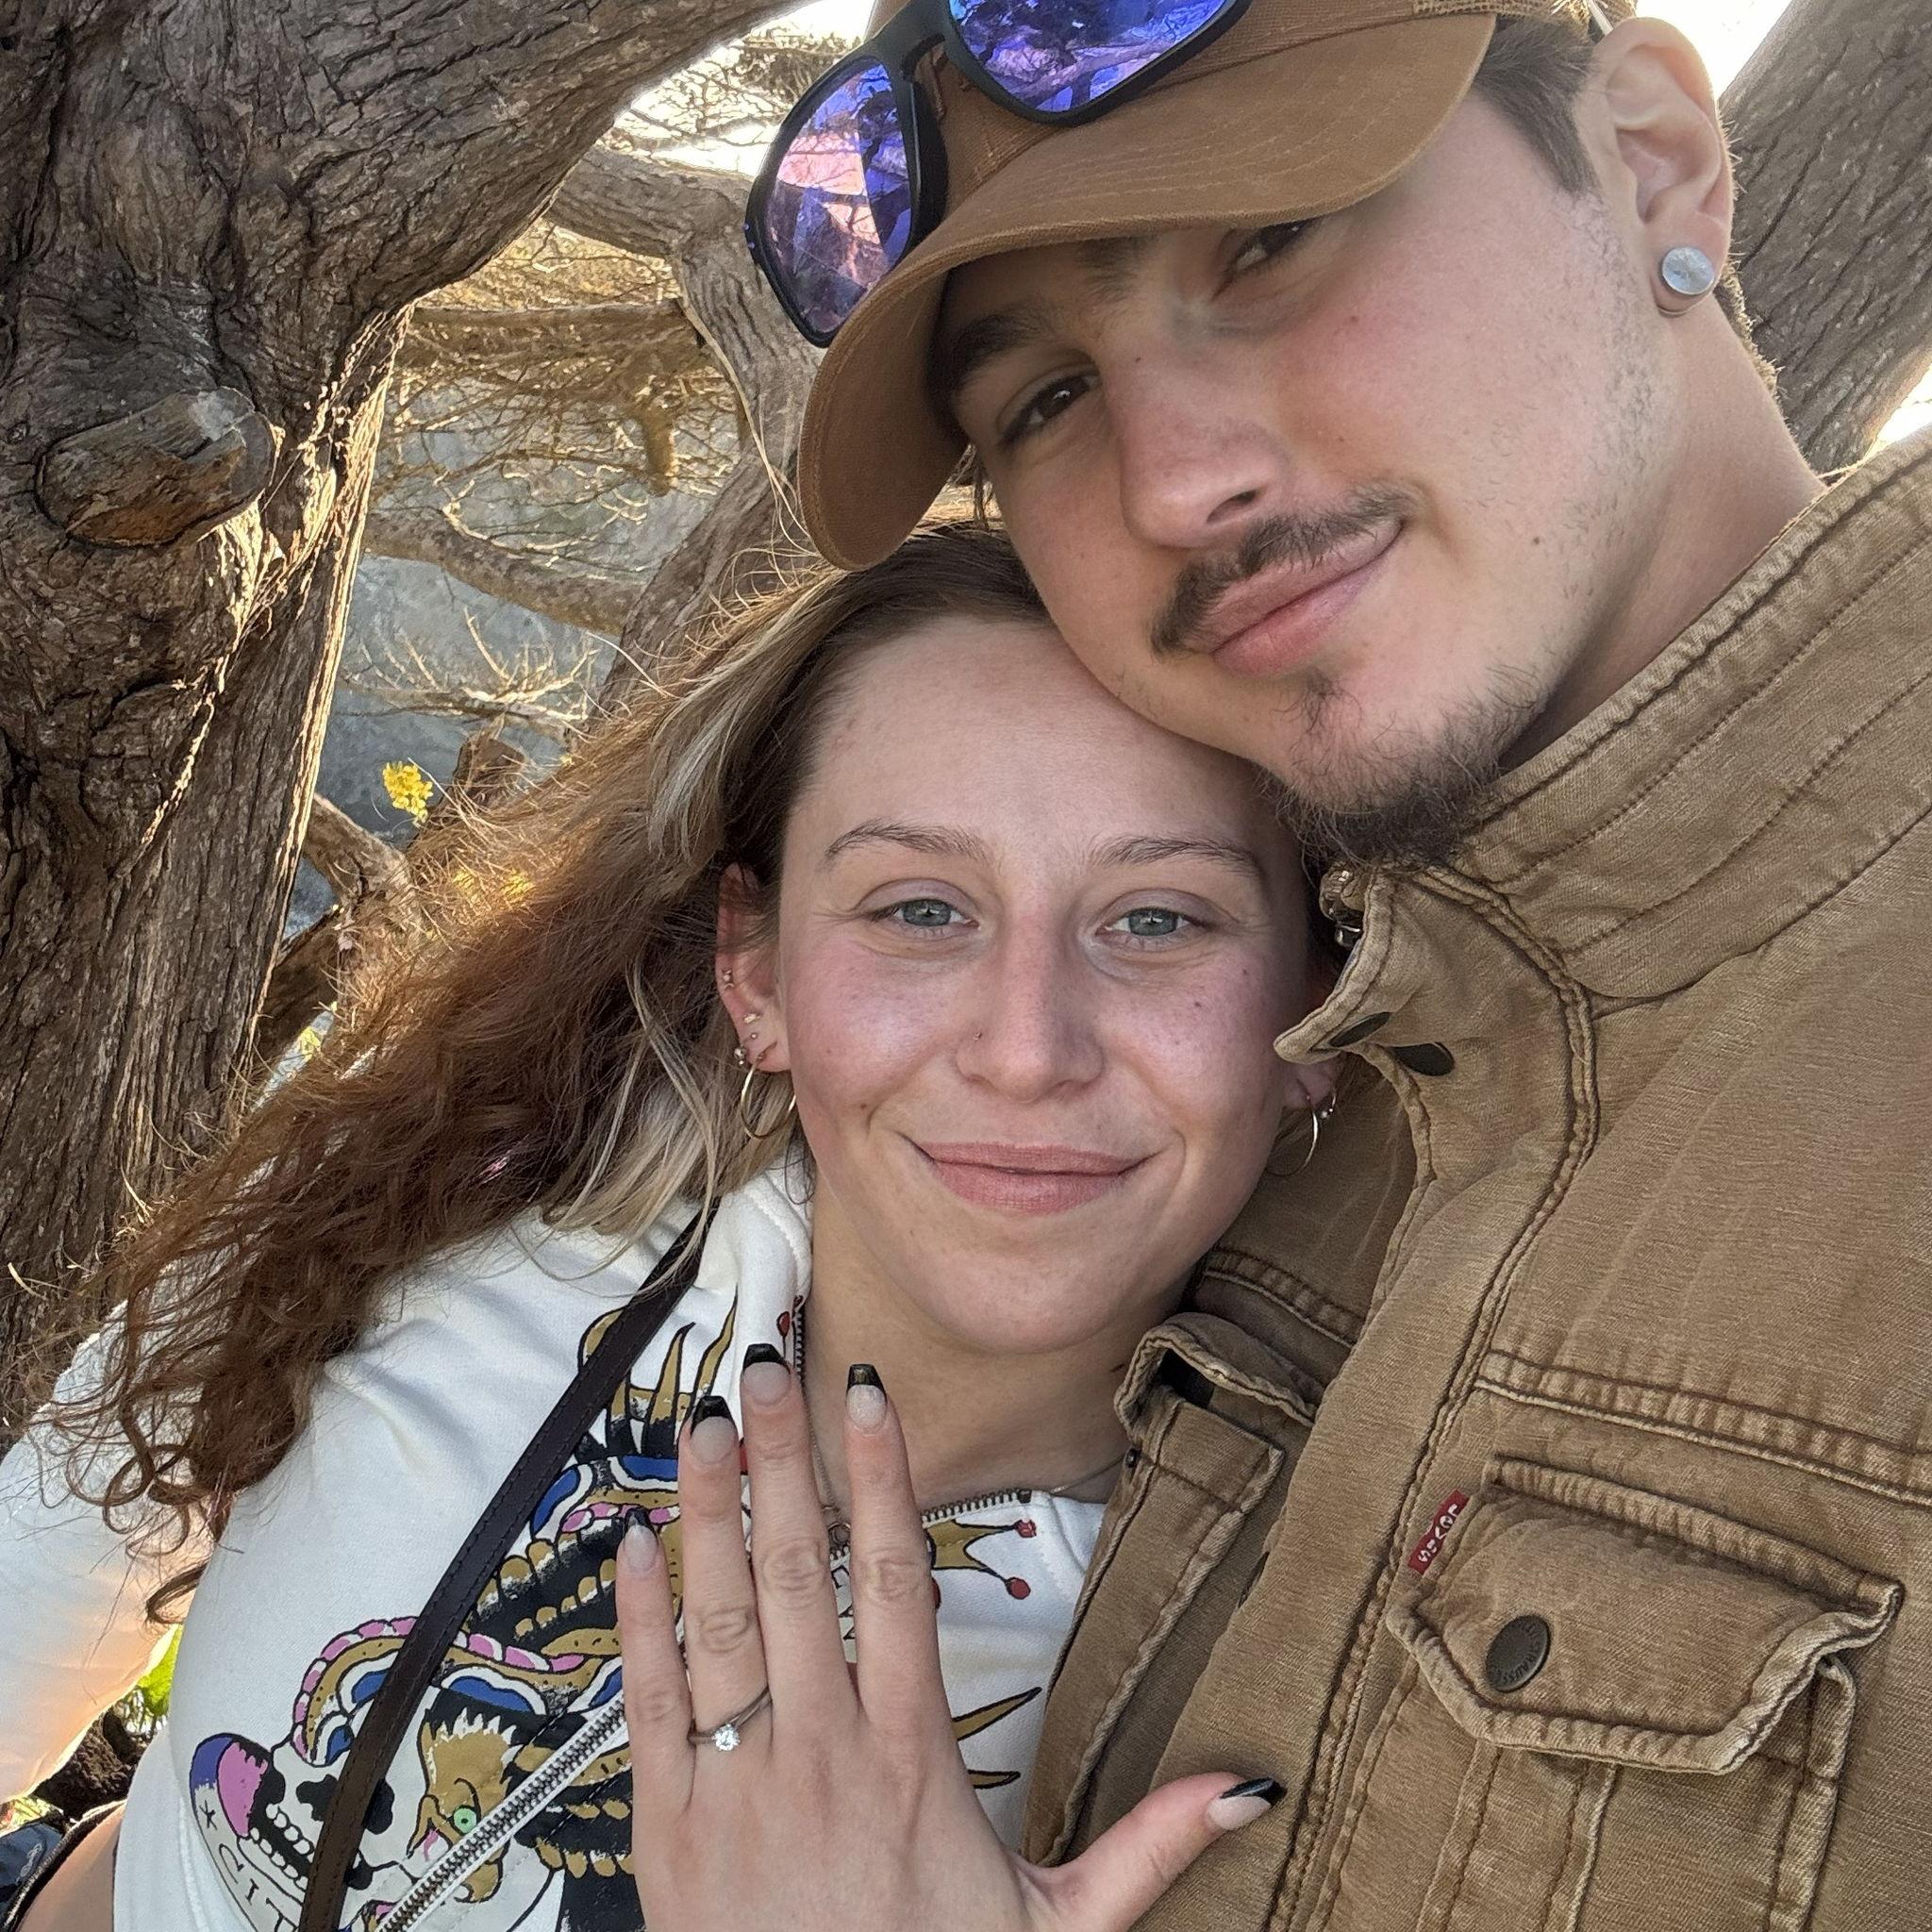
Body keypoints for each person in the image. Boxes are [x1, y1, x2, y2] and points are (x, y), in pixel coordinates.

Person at [681, 0, 1932, 1925]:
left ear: (1653, 162)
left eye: (1267, 243)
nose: (1175, 483)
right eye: (1043, 401)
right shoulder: (1250, 1078)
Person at [0, 523, 1337, 1931]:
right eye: (921, 908)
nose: (1025, 1048)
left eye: (1160, 920)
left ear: (1323, 1001)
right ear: (755, 972)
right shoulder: (431, 1211)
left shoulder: (1255, 1678)